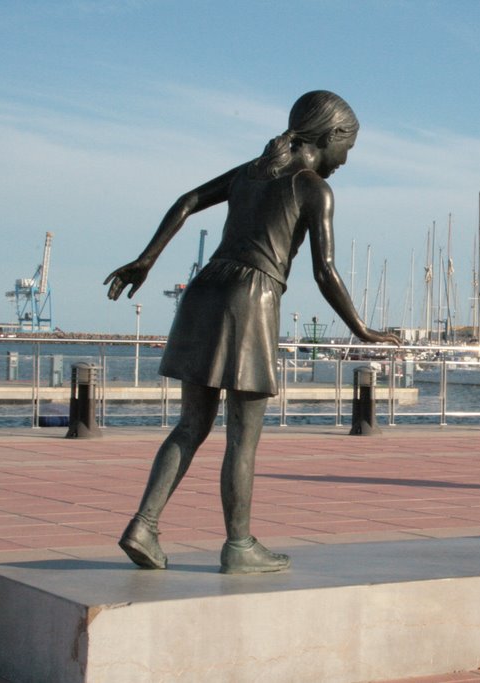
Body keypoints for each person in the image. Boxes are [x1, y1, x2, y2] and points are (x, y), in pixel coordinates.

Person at [105, 90, 400, 574]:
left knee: (190, 425)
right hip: (251, 298)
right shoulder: (312, 187)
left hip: (205, 289)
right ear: (331, 138)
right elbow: (324, 272)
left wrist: (147, 259)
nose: (346, 161)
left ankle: (144, 524)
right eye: (348, 148)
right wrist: (362, 329)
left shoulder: (251, 171)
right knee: (243, 437)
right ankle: (238, 546)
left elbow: (188, 201)